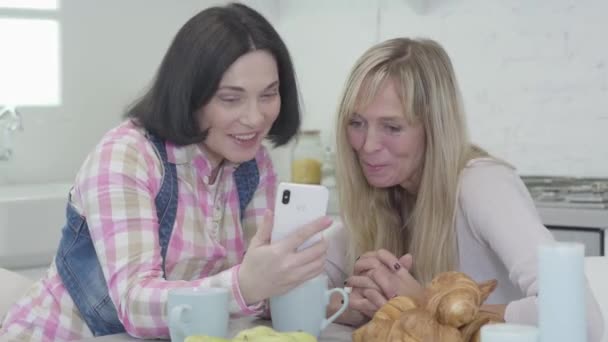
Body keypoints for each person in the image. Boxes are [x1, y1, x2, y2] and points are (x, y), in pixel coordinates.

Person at [0, 3, 332, 341]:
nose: (255, 118)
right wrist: (245, 284)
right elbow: (135, 304)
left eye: (269, 94)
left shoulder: (254, 165)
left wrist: (291, 278)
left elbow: (261, 284)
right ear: (189, 94)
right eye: (231, 99)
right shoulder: (127, 156)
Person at [323, 37, 604, 341]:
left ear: (434, 127)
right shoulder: (382, 193)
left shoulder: (482, 185)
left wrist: (427, 306)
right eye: (357, 123)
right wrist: (349, 304)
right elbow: (286, 289)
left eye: (392, 127)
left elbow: (581, 318)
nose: (368, 146)